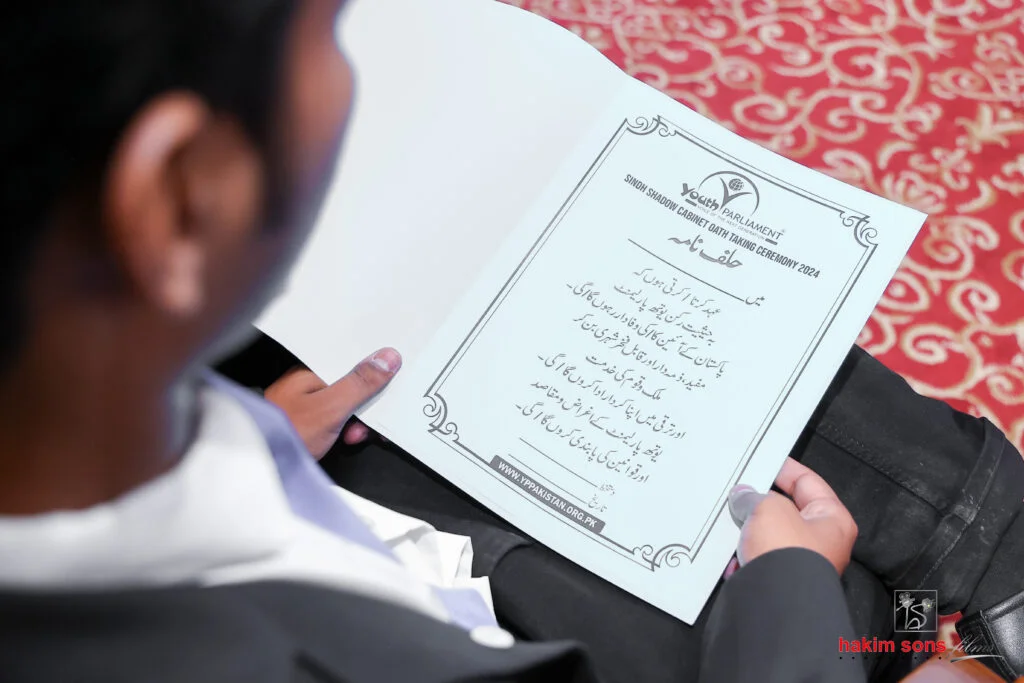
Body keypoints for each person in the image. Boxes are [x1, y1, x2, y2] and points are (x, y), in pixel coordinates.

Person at [0, 1, 1020, 682]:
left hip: (327, 468)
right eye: (336, 32)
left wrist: (252, 442)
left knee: (805, 431)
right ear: (176, 196)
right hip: (700, 636)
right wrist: (794, 613)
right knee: (872, 591)